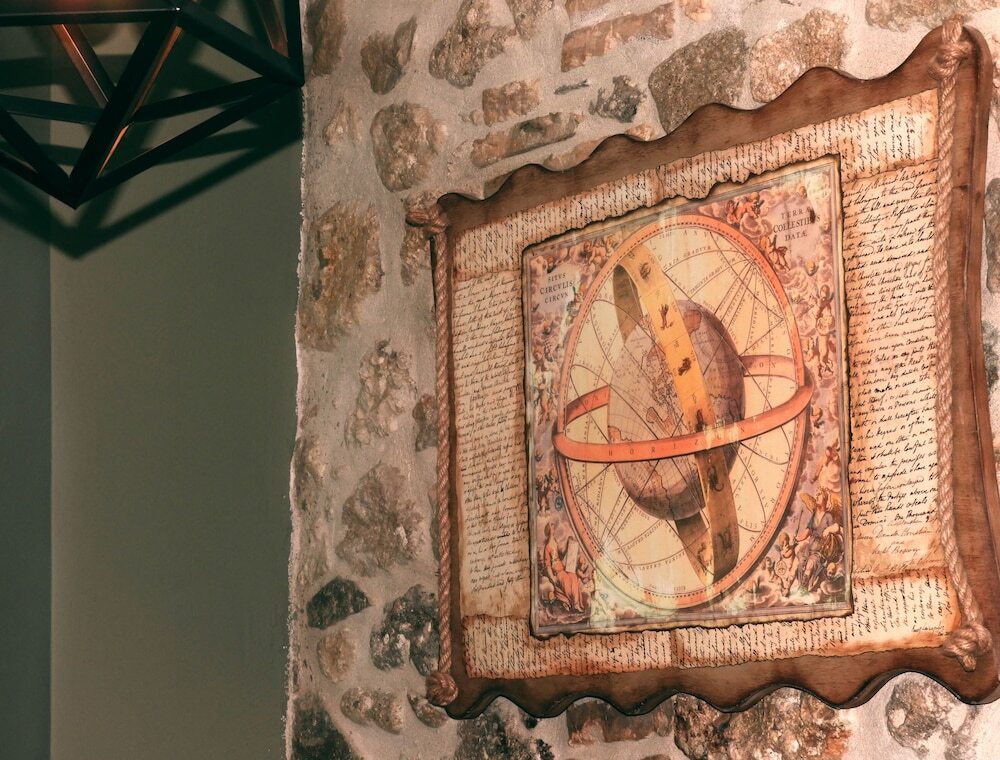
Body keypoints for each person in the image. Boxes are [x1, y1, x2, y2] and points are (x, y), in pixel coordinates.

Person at [542, 523, 583, 612]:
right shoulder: (547, 547)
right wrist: (552, 577)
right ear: (549, 531)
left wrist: (569, 544)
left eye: (554, 528)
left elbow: (561, 554)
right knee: (567, 582)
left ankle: (576, 604)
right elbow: (548, 565)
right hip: (557, 572)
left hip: (563, 568)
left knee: (574, 577)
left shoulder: (555, 542)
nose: (554, 529)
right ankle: (573, 604)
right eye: (552, 528)